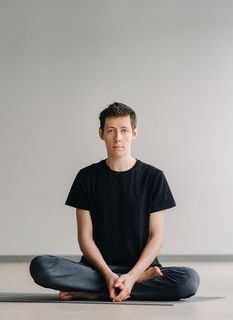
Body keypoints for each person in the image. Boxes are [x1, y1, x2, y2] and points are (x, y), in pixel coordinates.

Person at [29, 102, 200, 302]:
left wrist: (134, 274)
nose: (118, 138)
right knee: (40, 266)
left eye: (124, 130)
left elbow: (156, 237)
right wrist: (107, 273)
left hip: (142, 268)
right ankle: (120, 285)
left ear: (134, 133)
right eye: (111, 131)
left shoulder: (154, 177)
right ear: (101, 134)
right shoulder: (86, 177)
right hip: (97, 269)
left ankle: (100, 291)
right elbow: (85, 238)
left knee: (189, 280)